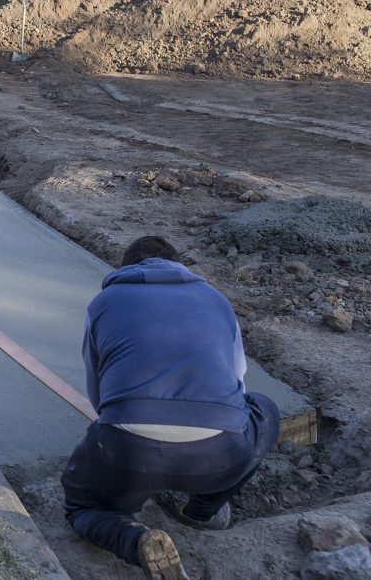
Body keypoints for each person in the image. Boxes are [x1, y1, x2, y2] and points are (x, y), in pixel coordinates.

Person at [61, 236, 279, 580]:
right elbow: (238, 378)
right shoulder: (216, 300)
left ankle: (135, 539)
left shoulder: (104, 302)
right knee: (264, 410)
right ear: (179, 265)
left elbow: (98, 391)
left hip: (128, 452)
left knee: (82, 507)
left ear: (125, 268)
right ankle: (201, 511)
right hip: (220, 453)